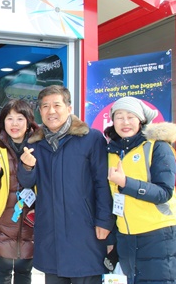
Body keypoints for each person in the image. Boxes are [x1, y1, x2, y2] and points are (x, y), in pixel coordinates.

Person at [18, 85, 114, 283]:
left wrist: (104, 221)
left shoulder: (91, 138)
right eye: (45, 106)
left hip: (84, 230)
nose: (51, 111)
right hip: (50, 231)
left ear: (69, 108)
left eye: (56, 105)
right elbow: (28, 182)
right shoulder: (34, 143)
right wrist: (26, 167)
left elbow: (102, 183)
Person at [105, 96, 176, 283]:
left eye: (131, 116)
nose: (125, 122)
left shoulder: (158, 147)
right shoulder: (112, 151)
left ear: (141, 120)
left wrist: (125, 182)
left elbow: (164, 192)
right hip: (128, 237)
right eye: (119, 117)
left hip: (161, 235)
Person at [0, 99, 37, 284]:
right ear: (3, 122)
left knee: (24, 274)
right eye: (9, 118)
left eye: (20, 119)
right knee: (3, 274)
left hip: (31, 222)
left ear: (29, 121)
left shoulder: (40, 146)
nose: (14, 124)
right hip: (1, 223)